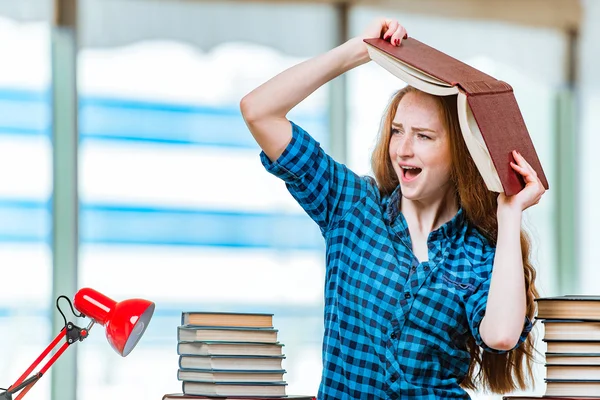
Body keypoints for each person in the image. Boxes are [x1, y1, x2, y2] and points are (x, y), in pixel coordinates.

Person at [240, 18, 545, 399]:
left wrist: (511, 211)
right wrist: (361, 49)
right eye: (398, 131)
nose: (403, 149)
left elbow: (500, 336)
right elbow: (258, 111)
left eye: (424, 136)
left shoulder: (477, 252)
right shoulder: (350, 206)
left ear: (461, 154)